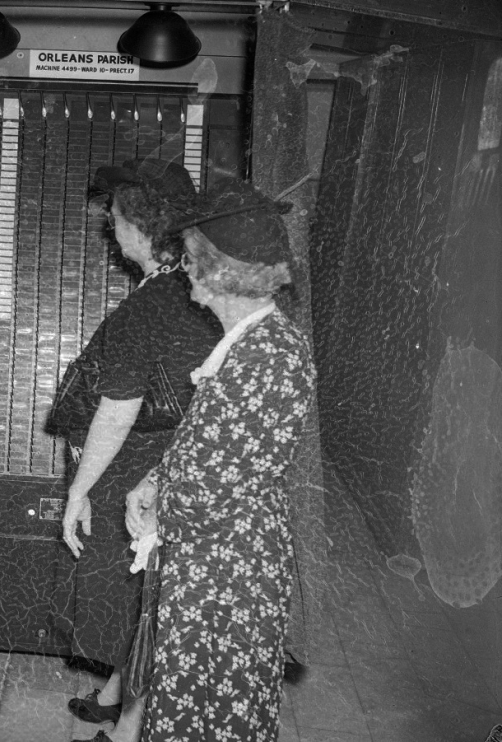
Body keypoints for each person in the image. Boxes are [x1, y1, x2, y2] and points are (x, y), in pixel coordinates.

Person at [125, 179, 317, 742]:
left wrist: (162, 516)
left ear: (220, 270)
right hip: (217, 563)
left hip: (226, 575)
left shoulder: (267, 355)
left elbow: (214, 485)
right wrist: (154, 479)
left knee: (210, 716)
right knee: (196, 709)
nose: (184, 270)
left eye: (191, 259)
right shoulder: (248, 343)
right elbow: (211, 447)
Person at [55, 160, 222, 742]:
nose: (109, 224)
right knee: (143, 592)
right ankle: (116, 694)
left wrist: (77, 491)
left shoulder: (146, 306)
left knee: (143, 599)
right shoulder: (189, 286)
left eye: (117, 215)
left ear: (142, 227)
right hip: (176, 458)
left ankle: (130, 727)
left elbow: (117, 409)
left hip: (142, 466)